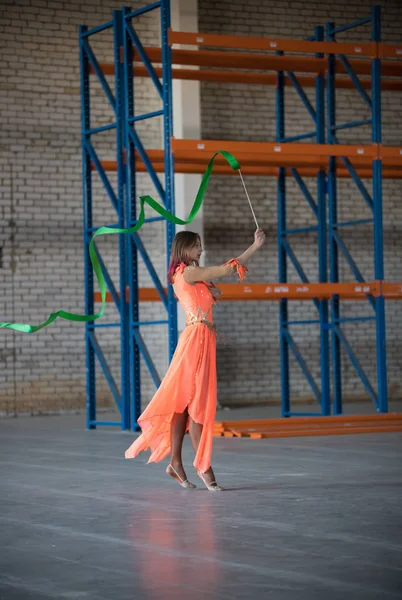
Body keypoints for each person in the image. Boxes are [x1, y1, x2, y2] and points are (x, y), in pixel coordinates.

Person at [125, 228, 266, 491]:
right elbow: (226, 269)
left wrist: (212, 291)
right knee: (196, 402)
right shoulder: (188, 273)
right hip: (195, 340)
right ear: (184, 249)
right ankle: (202, 466)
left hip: (204, 339)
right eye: (196, 245)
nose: (200, 249)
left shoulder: (193, 276)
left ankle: (176, 463)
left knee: (185, 404)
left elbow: (217, 291)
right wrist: (254, 247)